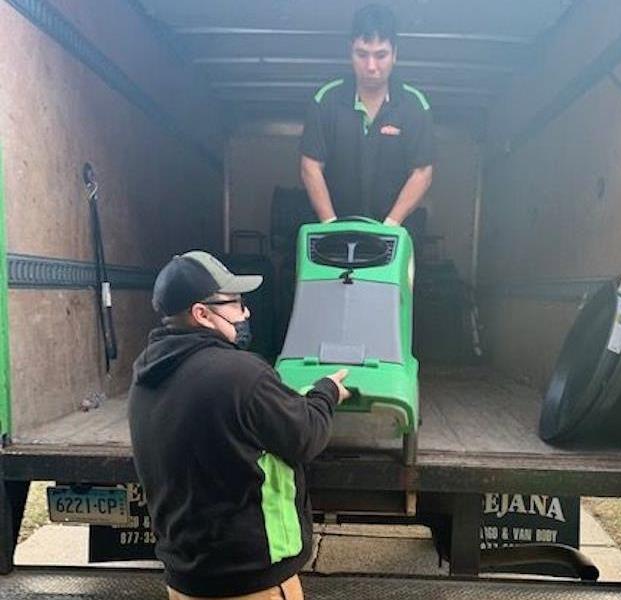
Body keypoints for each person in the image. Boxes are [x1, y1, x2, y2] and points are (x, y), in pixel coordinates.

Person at [128, 250, 350, 600]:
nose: (246, 312)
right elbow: (306, 435)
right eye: (234, 303)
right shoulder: (242, 374)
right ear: (201, 313)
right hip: (252, 582)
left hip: (186, 580)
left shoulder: (147, 373)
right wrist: (326, 393)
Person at [300, 3, 434, 230]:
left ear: (395, 54)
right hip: (333, 234)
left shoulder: (414, 106)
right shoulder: (326, 100)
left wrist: (390, 226)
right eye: (362, 54)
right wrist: (331, 226)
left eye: (380, 55)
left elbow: (422, 172)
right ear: (350, 50)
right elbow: (310, 166)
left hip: (395, 235)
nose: (371, 66)